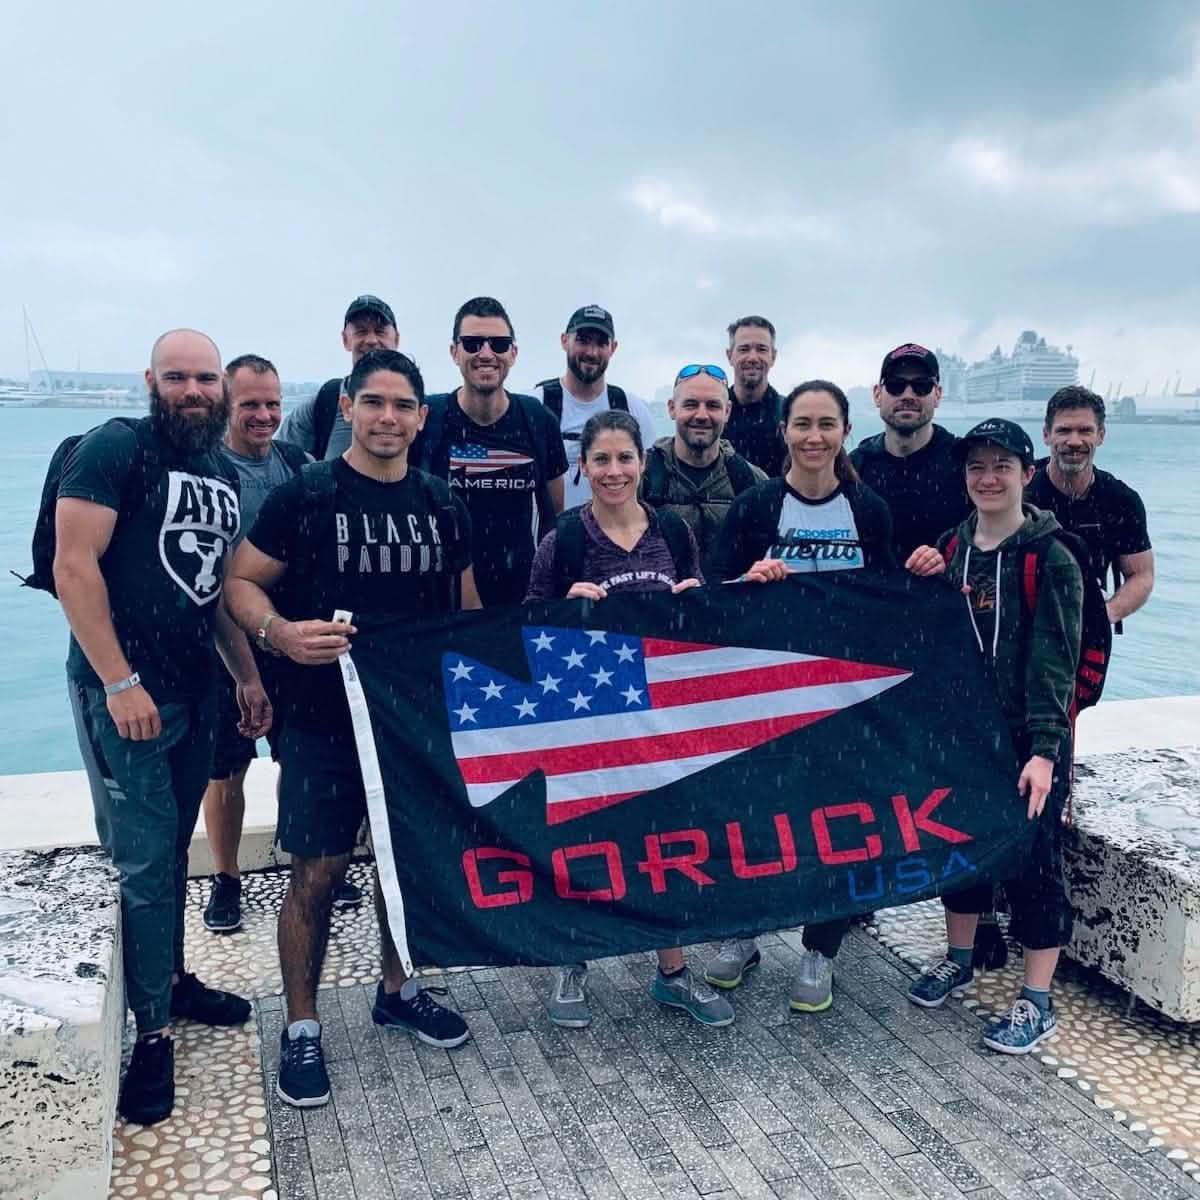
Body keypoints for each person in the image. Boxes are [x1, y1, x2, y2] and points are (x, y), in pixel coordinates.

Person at [226, 349, 480, 1108]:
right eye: (374, 403)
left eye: (403, 406)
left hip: (411, 726)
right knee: (317, 874)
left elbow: (467, 615)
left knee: (404, 870)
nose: (388, 419)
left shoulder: (442, 505)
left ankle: (397, 991)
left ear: (421, 417)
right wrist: (279, 634)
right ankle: (301, 1026)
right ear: (347, 407)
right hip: (319, 721)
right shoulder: (307, 496)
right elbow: (237, 583)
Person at [55, 329, 255, 1125]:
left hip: (195, 691)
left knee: (172, 852)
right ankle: (150, 1037)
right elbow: (75, 567)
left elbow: (209, 592)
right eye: (178, 377)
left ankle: (169, 982)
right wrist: (118, 680)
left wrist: (245, 677)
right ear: (151, 380)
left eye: (206, 378)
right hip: (127, 695)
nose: (194, 391)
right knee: (141, 864)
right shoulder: (115, 447)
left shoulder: (217, 469)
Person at [525, 408, 733, 1029]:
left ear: (643, 463)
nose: (613, 471)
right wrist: (565, 608)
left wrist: (694, 603)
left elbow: (700, 617)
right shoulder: (562, 540)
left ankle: (672, 972)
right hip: (586, 720)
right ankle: (573, 961)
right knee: (583, 842)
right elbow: (524, 627)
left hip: (657, 721)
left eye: (624, 459)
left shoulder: (670, 530)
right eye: (601, 460)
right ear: (583, 469)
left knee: (658, 845)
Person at [705, 380, 900, 1012]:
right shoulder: (756, 506)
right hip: (766, 695)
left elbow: (888, 608)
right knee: (758, 819)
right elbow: (714, 595)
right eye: (802, 424)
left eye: (827, 424)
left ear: (845, 431)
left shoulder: (869, 511)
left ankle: (821, 948)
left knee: (833, 826)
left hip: (843, 699)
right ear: (784, 431)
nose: (814, 437)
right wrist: (748, 579)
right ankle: (746, 934)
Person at [905, 418, 1082, 1054]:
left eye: (1002, 466)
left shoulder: (1050, 557)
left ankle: (1037, 1000)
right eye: (977, 467)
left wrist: (1042, 751)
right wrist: (919, 574)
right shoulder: (951, 550)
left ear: (1027, 475)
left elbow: (1056, 661)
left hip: (1028, 742)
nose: (988, 478)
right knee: (960, 852)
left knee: (1033, 865)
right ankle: (961, 956)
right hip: (964, 737)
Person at [202, 354, 361, 934]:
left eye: (272, 403)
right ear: (224, 404)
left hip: (293, 648)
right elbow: (215, 582)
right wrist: (244, 670)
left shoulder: (297, 466)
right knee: (227, 770)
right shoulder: (206, 472)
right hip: (224, 647)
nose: (264, 415)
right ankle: (226, 879)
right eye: (250, 405)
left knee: (300, 762)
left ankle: (313, 870)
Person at [417, 296, 567, 606]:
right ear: (453, 352)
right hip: (442, 600)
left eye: (498, 344)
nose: (486, 354)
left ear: (513, 353)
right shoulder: (427, 418)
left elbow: (554, 517)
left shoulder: (538, 420)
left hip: (521, 599)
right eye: (472, 343)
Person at [1025, 385, 1153, 626]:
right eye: (1063, 431)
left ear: (1101, 435)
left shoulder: (1121, 501)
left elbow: (1141, 575)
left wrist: (1106, 614)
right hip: (1021, 628)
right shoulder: (1020, 489)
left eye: (1085, 430)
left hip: (1089, 628)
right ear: (1046, 435)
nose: (1074, 441)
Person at [641, 362, 765, 577]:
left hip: (729, 604)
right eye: (690, 404)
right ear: (671, 408)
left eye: (713, 406)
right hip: (661, 606)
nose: (701, 415)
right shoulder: (642, 475)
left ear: (727, 411)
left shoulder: (751, 480)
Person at [530, 305, 659, 509]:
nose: (591, 352)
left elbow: (651, 479)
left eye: (601, 343)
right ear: (564, 340)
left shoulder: (632, 408)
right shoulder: (537, 405)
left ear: (613, 348)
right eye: (583, 341)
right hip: (551, 535)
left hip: (615, 535)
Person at [850, 343, 970, 560]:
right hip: (870, 591)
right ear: (877, 395)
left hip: (943, 590)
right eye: (896, 385)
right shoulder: (855, 466)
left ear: (938, 395)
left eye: (921, 386)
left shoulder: (965, 461)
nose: (908, 395)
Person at [278, 295, 400, 461]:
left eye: (380, 331)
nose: (371, 340)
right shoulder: (321, 405)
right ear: (345, 340)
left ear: (396, 339)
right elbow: (277, 463)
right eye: (361, 331)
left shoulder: (421, 413)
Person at [723, 316, 786, 477]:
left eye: (761, 349)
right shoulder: (713, 414)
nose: (752, 358)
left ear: (773, 356)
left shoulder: (790, 414)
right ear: (729, 355)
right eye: (744, 349)